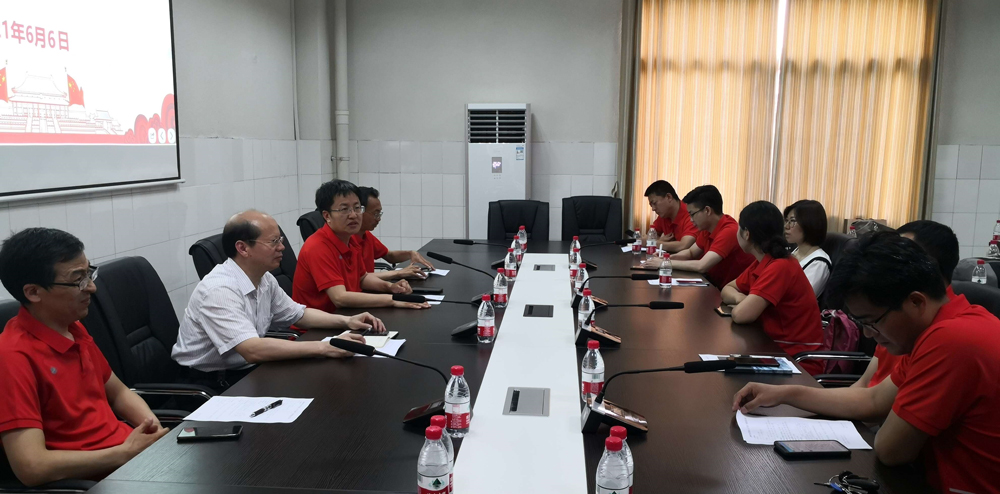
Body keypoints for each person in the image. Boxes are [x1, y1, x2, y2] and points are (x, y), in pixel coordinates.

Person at [732, 233, 1000, 494]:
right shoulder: (946, 323)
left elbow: (891, 450)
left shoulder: (950, 340)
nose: (869, 335)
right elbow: (873, 401)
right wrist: (784, 394)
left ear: (916, 301)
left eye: (872, 322)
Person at [0, 228, 169, 486]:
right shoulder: (12, 357)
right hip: (96, 480)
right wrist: (124, 453)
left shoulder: (73, 326)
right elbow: (32, 466)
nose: (91, 287)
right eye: (78, 279)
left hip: (131, 461)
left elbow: (118, 393)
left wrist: (151, 429)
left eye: (89, 273)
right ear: (33, 292)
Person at [172, 210, 383, 391]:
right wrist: (325, 347)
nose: (282, 247)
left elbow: (299, 314)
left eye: (280, 240)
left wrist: (347, 321)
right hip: (211, 385)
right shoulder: (219, 290)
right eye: (274, 242)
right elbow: (252, 349)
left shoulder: (264, 278)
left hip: (247, 371)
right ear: (243, 248)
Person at [852, 220, 960, 389]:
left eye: (898, 258)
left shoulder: (939, 329)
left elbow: (877, 400)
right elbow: (866, 386)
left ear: (929, 266)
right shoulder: (892, 313)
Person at [720, 201, 825, 375]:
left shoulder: (780, 266)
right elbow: (727, 289)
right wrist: (741, 299)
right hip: (770, 348)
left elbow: (740, 315)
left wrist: (742, 303)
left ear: (746, 234)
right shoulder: (764, 261)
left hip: (795, 361)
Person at [293, 180, 429, 312]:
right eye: (344, 209)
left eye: (357, 208)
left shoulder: (351, 239)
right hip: (320, 323)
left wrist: (390, 287)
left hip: (347, 314)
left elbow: (362, 278)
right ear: (327, 216)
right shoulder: (317, 247)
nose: (353, 215)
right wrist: (392, 300)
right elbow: (340, 298)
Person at [668, 185, 755, 288]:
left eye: (692, 214)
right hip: (714, 284)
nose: (691, 220)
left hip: (732, 290)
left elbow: (702, 266)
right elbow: (690, 253)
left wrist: (665, 264)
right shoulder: (707, 228)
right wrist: (666, 258)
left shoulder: (729, 231)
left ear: (707, 210)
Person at [356, 186, 435, 280]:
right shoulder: (347, 241)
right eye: (375, 214)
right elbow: (359, 278)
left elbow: (389, 256)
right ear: (360, 211)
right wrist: (398, 273)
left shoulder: (366, 235)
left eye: (379, 214)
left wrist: (410, 253)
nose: (378, 219)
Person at [783, 200, 831, 298]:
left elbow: (800, 299)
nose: (786, 226)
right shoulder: (795, 252)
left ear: (809, 224)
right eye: (787, 221)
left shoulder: (818, 263)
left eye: (792, 221)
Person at [643, 180, 698, 253]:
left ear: (669, 197)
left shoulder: (691, 214)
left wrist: (655, 242)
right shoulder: (664, 215)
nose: (653, 209)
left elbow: (683, 245)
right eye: (651, 205)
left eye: (655, 203)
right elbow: (648, 237)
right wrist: (660, 241)